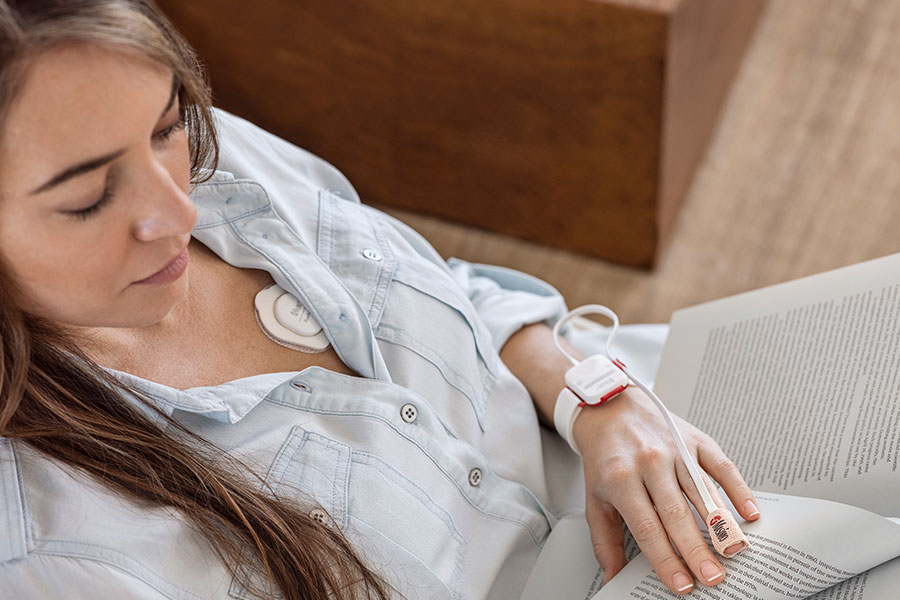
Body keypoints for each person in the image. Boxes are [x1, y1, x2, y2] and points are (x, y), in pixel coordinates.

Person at [0, 1, 761, 598]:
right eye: (89, 199)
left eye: (168, 128)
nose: (180, 211)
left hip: (642, 412)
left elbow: (442, 283)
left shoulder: (201, 150)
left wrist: (596, 400)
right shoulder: (51, 552)